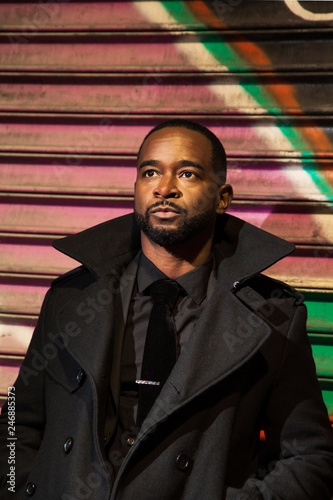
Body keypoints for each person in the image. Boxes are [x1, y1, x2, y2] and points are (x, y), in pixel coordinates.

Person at [0, 119, 333, 500]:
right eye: (150, 172)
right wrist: (19, 490)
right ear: (137, 188)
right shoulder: (71, 298)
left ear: (222, 197)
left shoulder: (272, 318)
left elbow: (310, 458)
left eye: (187, 173)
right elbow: (15, 424)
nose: (165, 187)